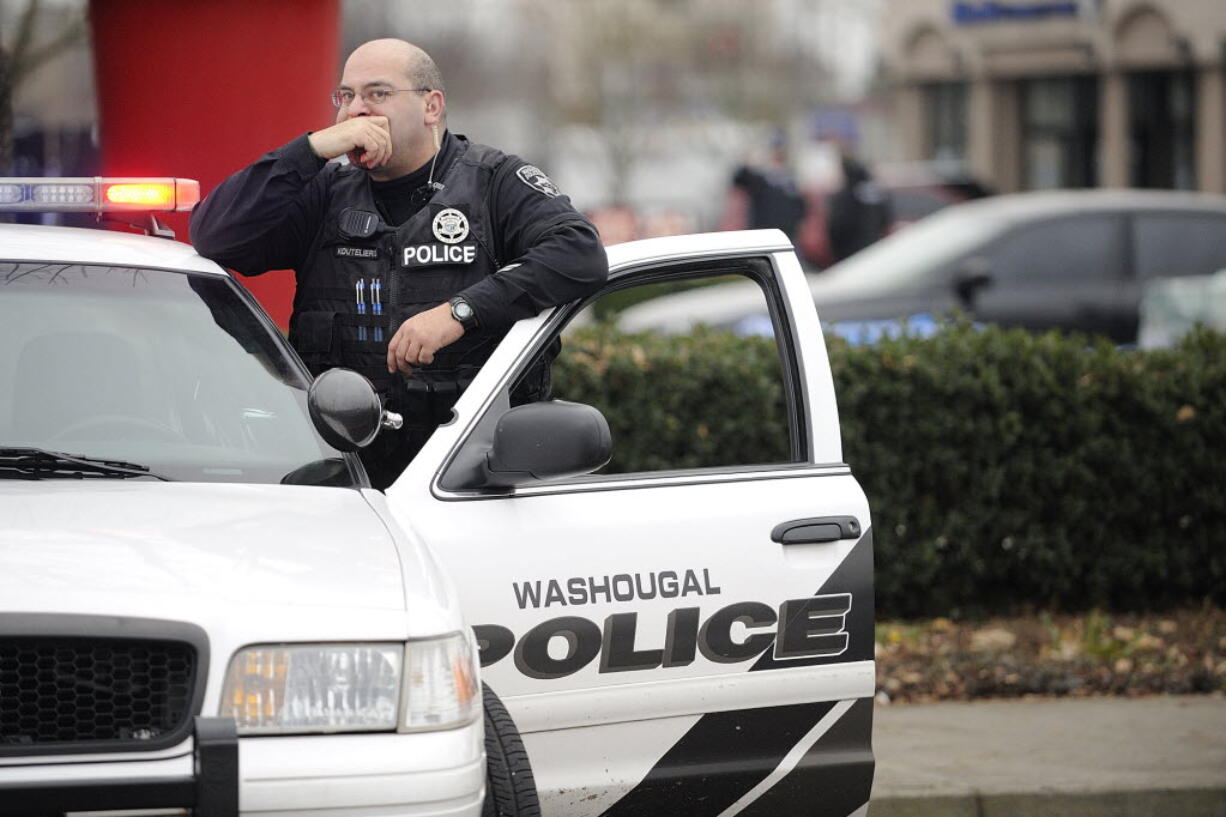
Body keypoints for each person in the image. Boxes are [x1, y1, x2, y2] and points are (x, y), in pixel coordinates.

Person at [191, 39, 608, 489]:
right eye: (346, 96)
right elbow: (216, 235)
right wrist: (310, 150)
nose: (356, 110)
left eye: (378, 94)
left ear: (431, 106)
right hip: (340, 474)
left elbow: (579, 252)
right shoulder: (324, 192)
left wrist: (459, 313)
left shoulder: (495, 182)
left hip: (467, 475)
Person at [730, 132, 807, 242]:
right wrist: (748, 161)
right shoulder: (760, 178)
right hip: (762, 235)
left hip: (786, 235)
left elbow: (799, 207)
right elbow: (739, 179)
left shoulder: (791, 180)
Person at [825, 154, 892, 263]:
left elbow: (836, 226)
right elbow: (886, 218)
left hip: (851, 253)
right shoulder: (877, 192)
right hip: (875, 249)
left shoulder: (847, 195)